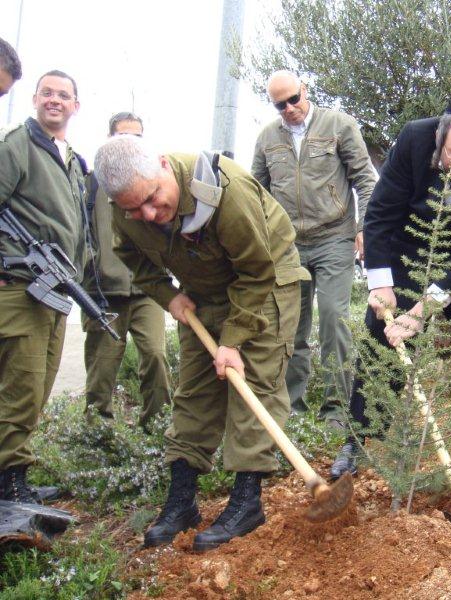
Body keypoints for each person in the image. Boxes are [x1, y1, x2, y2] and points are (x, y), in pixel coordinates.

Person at [93, 136, 308, 551]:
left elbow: (257, 270)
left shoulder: (227, 190)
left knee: (253, 388)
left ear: (161, 163)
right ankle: (181, 501)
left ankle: (247, 502)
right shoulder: (125, 205)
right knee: (193, 390)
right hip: (201, 290)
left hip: (265, 285)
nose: (149, 214)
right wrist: (166, 294)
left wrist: (233, 341)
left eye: (154, 198)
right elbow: (131, 256)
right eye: (135, 209)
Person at [330, 96, 451, 480]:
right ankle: (360, 434)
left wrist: (424, 309)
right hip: (410, 245)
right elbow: (382, 212)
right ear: (439, 139)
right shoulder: (414, 141)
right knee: (384, 326)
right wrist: (382, 284)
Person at [251, 70, 377, 426]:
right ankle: (294, 409)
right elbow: (256, 194)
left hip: (334, 236)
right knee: (292, 328)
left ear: (304, 90)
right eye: (281, 105)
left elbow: (366, 180)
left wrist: (366, 228)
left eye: (294, 99)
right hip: (288, 245)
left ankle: (337, 409)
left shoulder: (338, 125)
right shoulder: (266, 139)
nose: (290, 108)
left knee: (334, 317)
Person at [0, 70, 85, 502]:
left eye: (63, 95)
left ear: (76, 105)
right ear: (34, 98)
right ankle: (8, 485)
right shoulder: (18, 146)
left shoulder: (70, 158)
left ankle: (16, 479)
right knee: (20, 388)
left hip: (54, 292)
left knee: (38, 388)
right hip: (19, 290)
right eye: (47, 93)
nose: (55, 100)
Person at [82, 112, 171, 429]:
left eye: (137, 137)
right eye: (123, 136)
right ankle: (96, 439)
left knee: (156, 358)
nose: (130, 142)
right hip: (104, 295)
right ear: (109, 139)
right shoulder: (91, 184)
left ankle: (157, 430)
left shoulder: (154, 182)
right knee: (102, 370)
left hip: (148, 290)